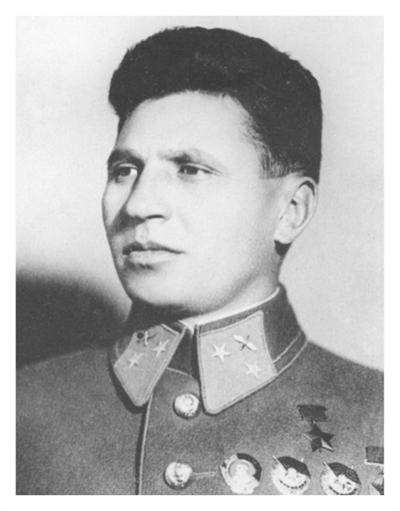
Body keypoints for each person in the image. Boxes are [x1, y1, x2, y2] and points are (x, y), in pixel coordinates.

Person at [16, 26, 383, 495]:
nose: (138, 204)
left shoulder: (380, 415)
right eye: (125, 170)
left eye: (190, 169)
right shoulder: (20, 412)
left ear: (291, 211)